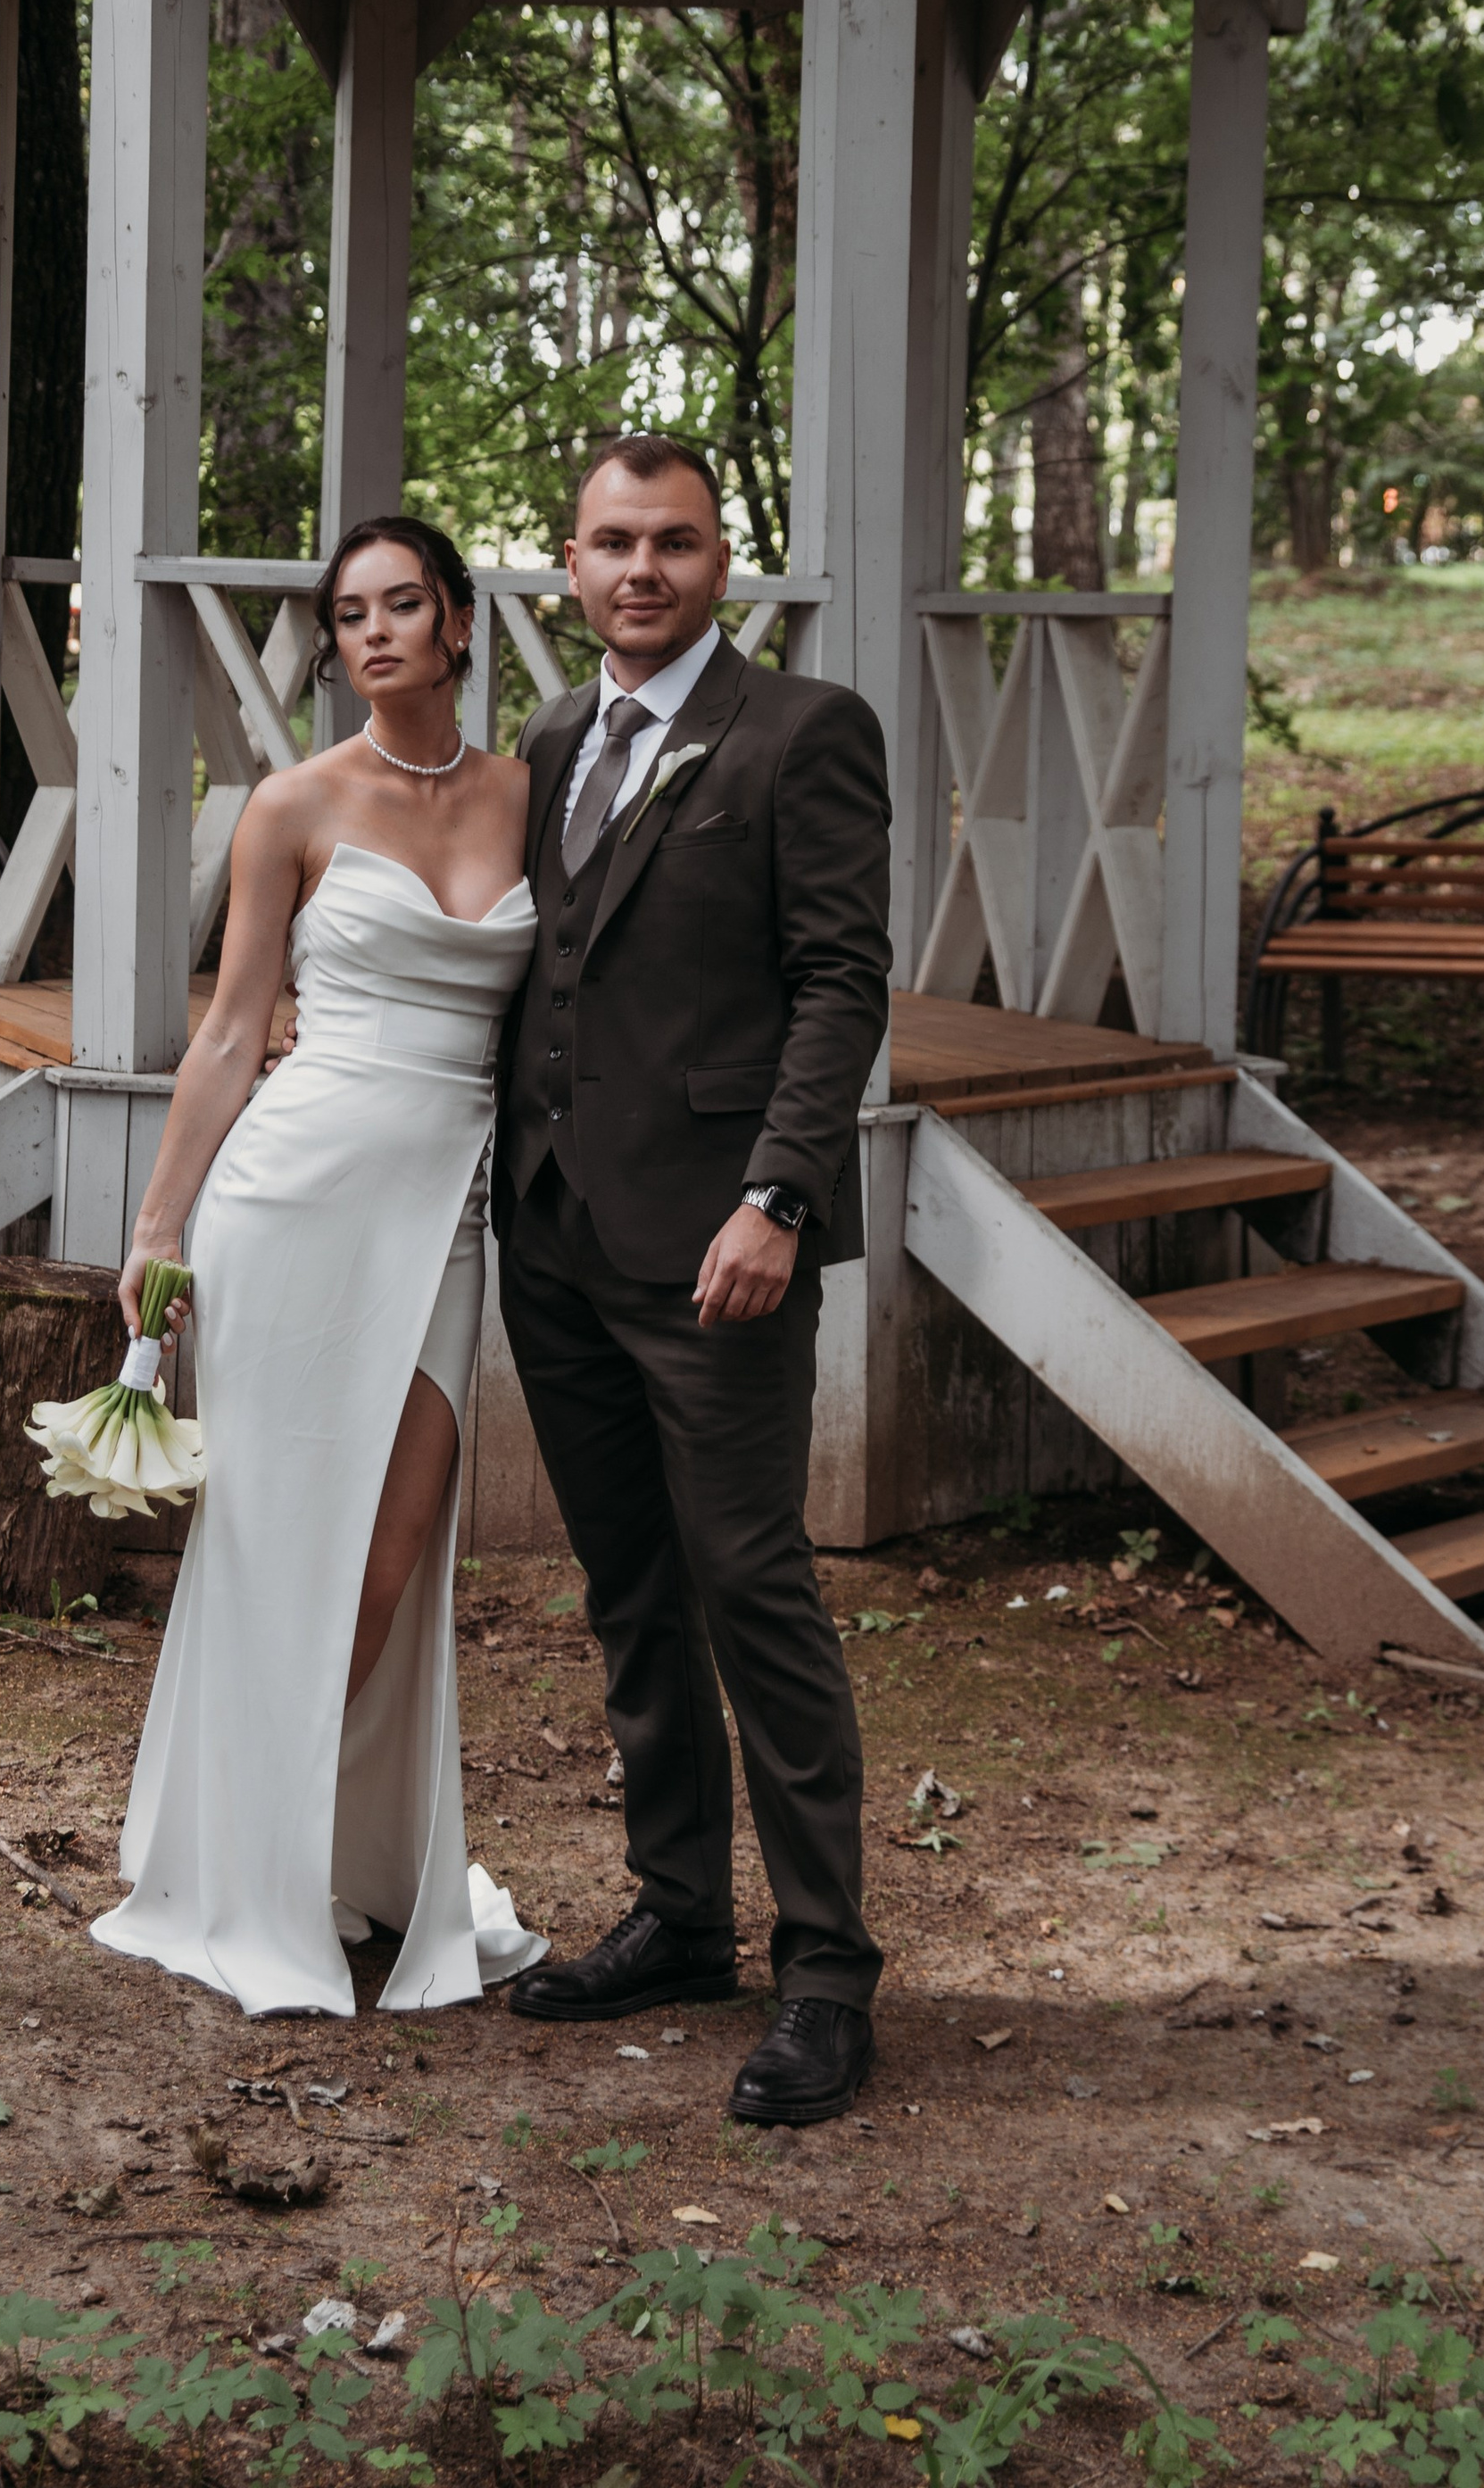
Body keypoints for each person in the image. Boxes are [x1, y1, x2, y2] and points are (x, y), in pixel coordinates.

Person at [91, 516, 547, 2019]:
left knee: (392, 1563)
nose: (375, 633)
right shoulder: (288, 804)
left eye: (403, 604)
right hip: (288, 1203)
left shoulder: (533, 798)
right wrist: (159, 1227)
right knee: (274, 1550)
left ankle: (320, 1846)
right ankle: (243, 1870)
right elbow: (231, 1030)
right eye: (349, 613)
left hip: (446, 1214)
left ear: (461, 623)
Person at [494, 432, 893, 2127]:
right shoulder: (553, 736)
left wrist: (781, 1199)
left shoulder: (805, 731)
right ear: (567, 567)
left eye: (673, 542)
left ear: (726, 557)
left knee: (754, 1588)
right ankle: (678, 1913)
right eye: (610, 543)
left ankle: (826, 1973)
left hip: (724, 1248)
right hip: (557, 1235)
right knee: (629, 1590)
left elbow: (842, 980)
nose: (640, 570)